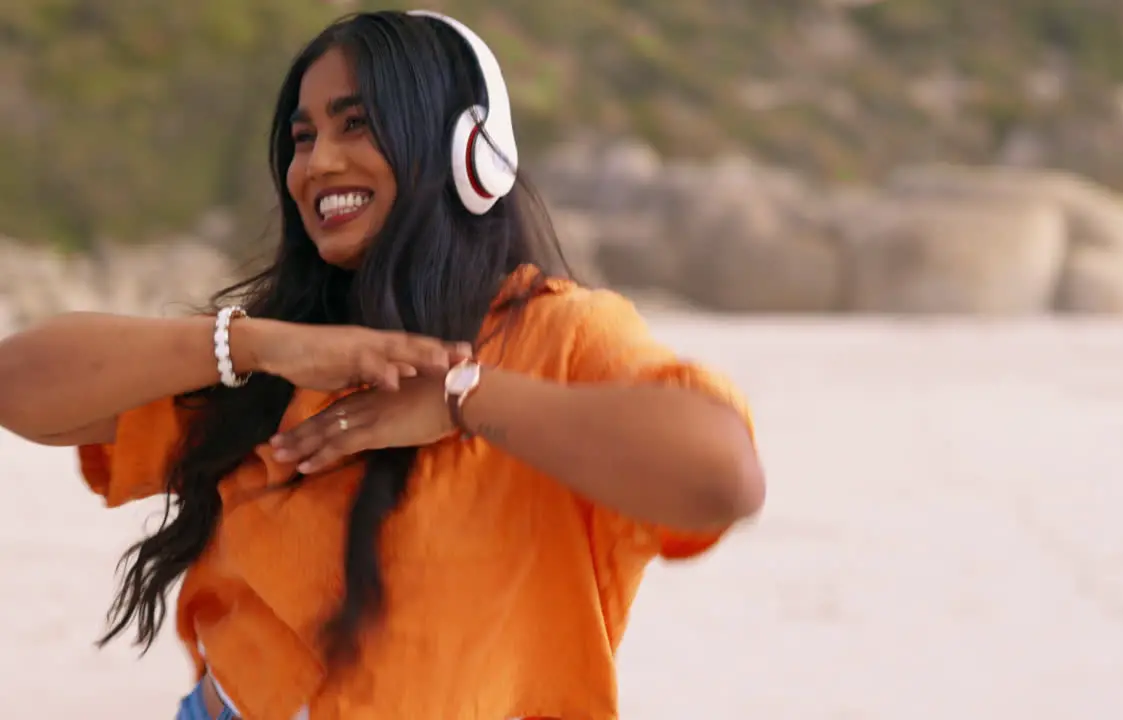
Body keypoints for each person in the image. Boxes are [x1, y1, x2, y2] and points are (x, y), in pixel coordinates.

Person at [0, 9, 764, 720]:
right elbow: (19, 387)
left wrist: (464, 397)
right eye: (302, 138)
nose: (318, 163)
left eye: (357, 125)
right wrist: (256, 343)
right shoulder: (284, 347)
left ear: (469, 152)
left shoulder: (560, 332)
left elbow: (721, 478)